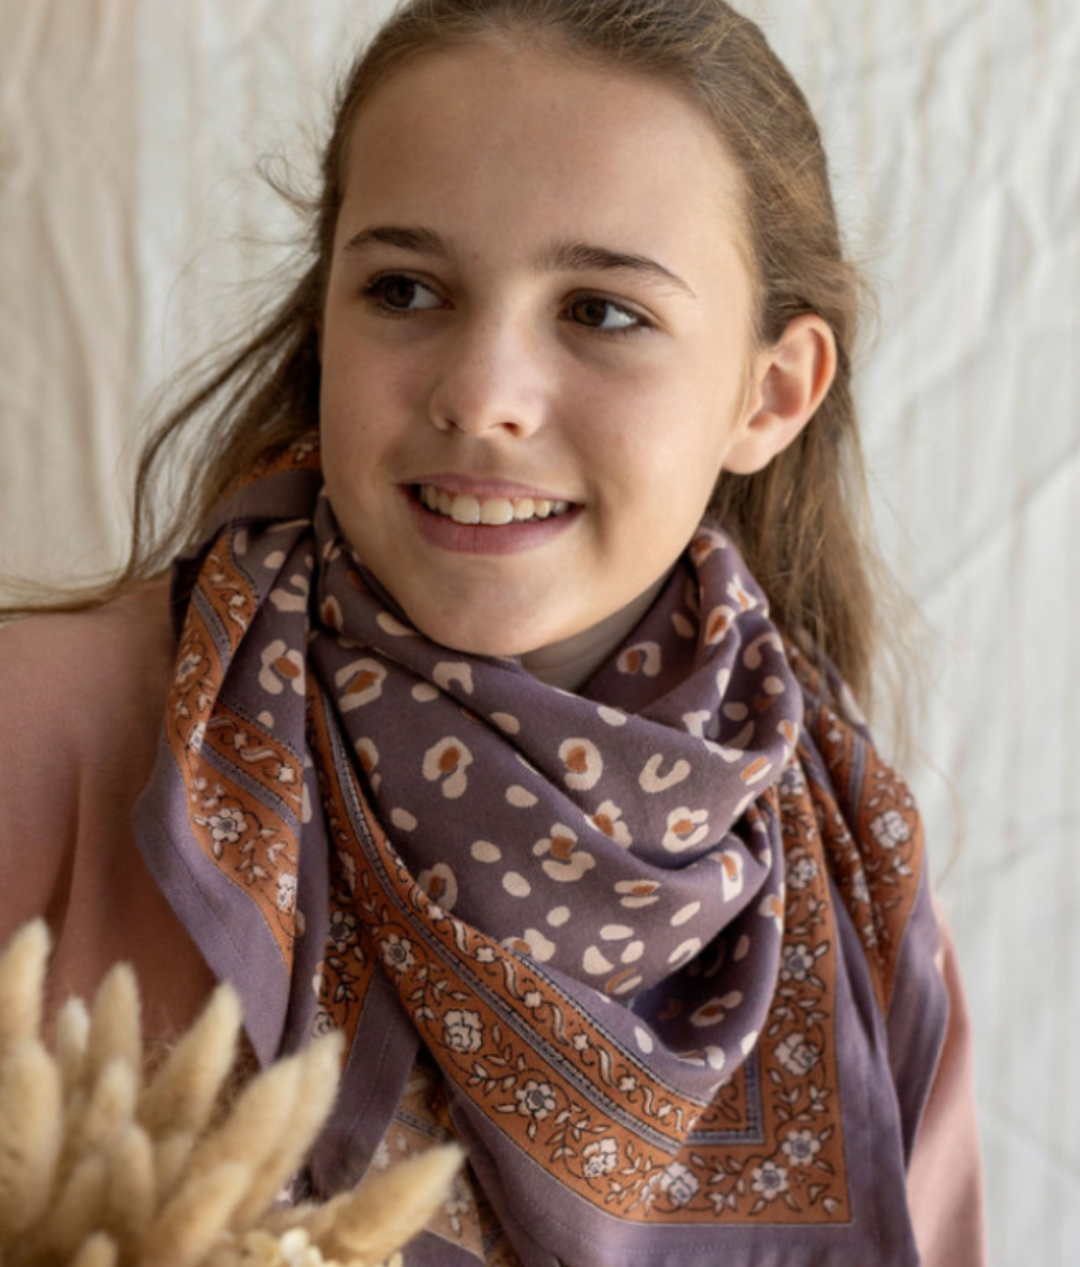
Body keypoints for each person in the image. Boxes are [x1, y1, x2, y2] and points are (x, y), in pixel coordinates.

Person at [0, 1, 986, 1263]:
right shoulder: (50, 743)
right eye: (406, 290)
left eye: (602, 312)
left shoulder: (858, 890)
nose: (481, 397)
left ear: (770, 391)